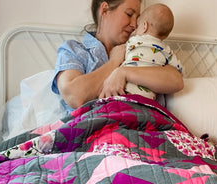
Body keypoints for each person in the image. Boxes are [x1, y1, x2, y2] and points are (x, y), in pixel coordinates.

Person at [52, 0, 184, 113]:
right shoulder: (74, 50)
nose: (134, 24)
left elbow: (176, 80)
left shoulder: (143, 49)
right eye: (129, 14)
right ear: (105, 10)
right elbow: (74, 96)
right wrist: (114, 62)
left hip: (145, 128)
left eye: (137, 18)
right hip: (95, 134)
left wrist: (124, 72)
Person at [121, 3, 183, 100]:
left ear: (144, 26)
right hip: (146, 98)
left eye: (138, 26)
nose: (135, 28)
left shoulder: (132, 41)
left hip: (123, 89)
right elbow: (178, 69)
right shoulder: (166, 50)